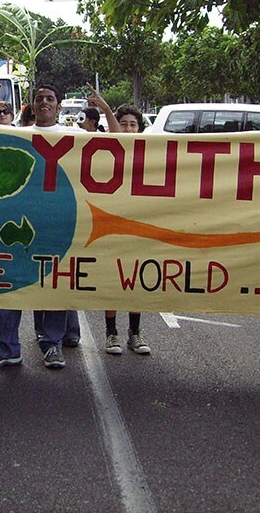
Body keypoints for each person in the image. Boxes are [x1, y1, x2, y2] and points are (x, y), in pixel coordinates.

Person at [0, 83, 118, 370]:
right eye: (39, 98)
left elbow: (120, 142)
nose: (44, 102)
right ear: (32, 105)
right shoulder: (18, 133)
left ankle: (52, 345)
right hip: (17, 223)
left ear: (59, 104)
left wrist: (104, 109)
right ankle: (7, 347)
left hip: (57, 225)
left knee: (54, 284)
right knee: (8, 283)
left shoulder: (74, 135)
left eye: (50, 98)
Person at [101, 104, 151, 356]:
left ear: (140, 129)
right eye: (124, 124)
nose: (128, 128)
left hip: (139, 228)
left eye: (133, 124)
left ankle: (135, 333)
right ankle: (111, 333)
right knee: (113, 280)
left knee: (136, 280)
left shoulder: (150, 156)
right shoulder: (108, 153)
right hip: (112, 227)